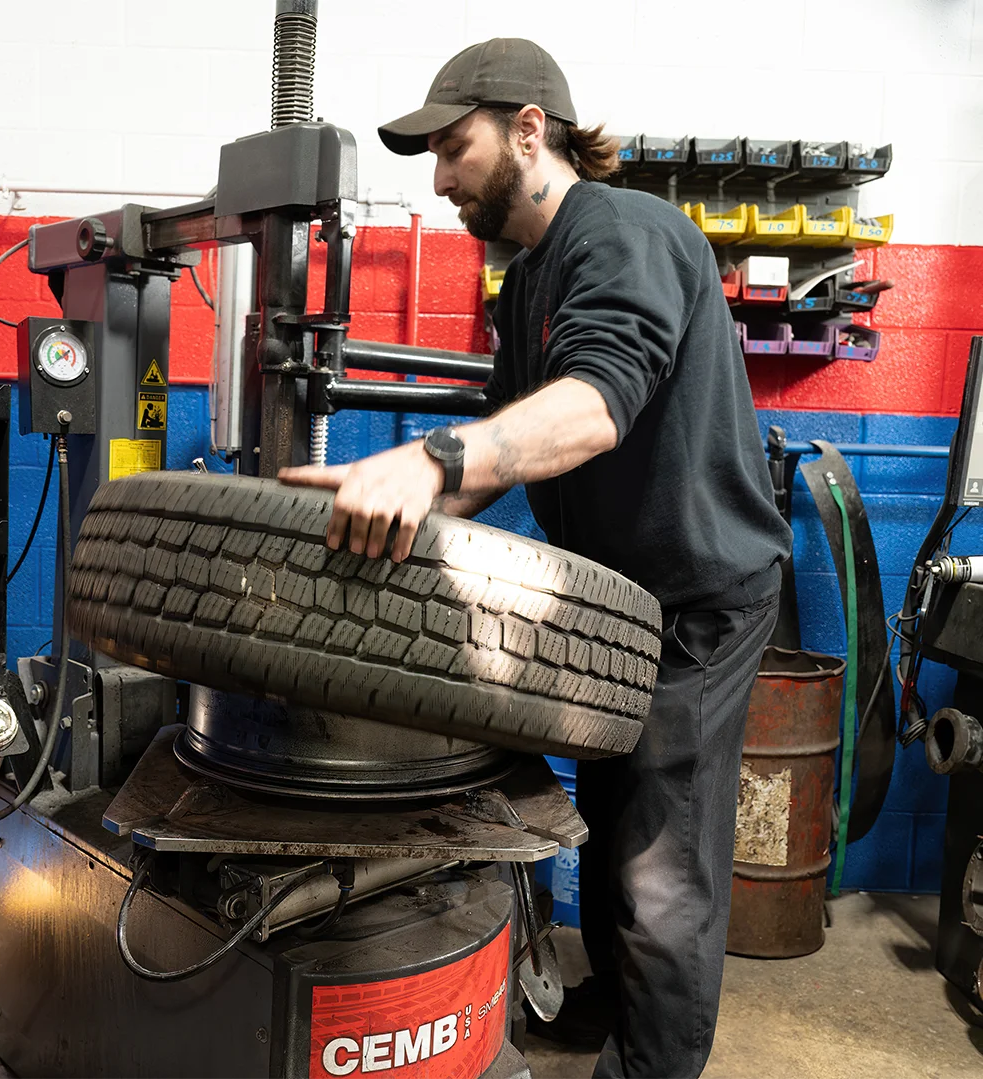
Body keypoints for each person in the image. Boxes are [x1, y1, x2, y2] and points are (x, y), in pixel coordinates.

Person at [279, 37, 792, 1079]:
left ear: (528, 127)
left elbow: (596, 406)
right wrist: (404, 501)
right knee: (611, 820)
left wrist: (430, 458)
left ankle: (652, 1062)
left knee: (665, 867)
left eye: (453, 146)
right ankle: (614, 998)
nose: (440, 178)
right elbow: (503, 447)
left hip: (698, 603)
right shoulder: (526, 283)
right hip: (616, 604)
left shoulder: (624, 231)